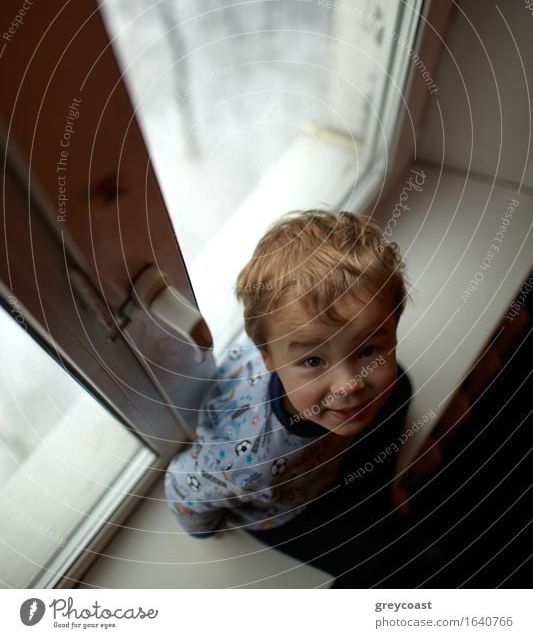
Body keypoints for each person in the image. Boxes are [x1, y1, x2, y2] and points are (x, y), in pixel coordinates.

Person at [165, 209, 415, 585]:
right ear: (269, 360)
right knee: (374, 557)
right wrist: (204, 528)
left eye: (367, 350)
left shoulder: (317, 375)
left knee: (402, 386)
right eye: (313, 360)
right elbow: (182, 485)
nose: (349, 384)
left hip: (323, 453)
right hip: (289, 504)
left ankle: (378, 493)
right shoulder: (249, 462)